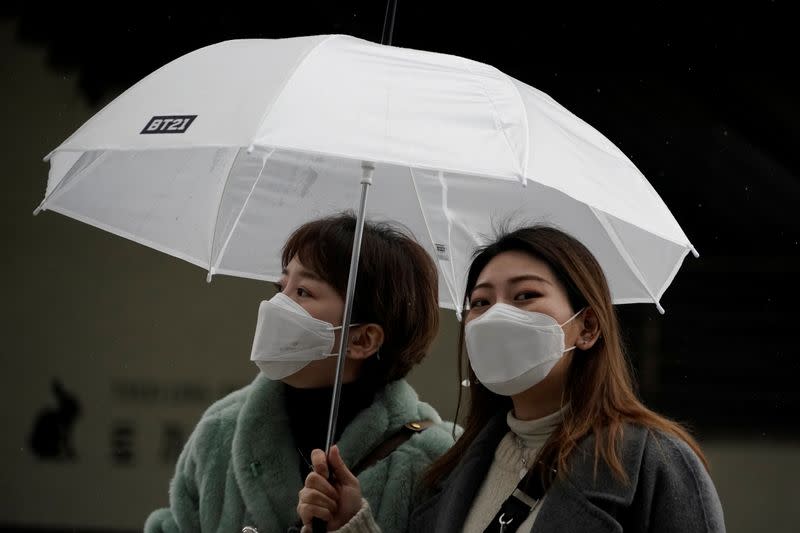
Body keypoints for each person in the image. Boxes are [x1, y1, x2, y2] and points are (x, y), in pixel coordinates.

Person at [298, 225, 725, 532]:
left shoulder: (656, 464)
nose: (497, 315)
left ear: (588, 327)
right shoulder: (453, 471)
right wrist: (351, 525)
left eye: (525, 295)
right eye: (481, 302)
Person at [145, 212, 457, 533]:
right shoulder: (221, 432)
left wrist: (354, 526)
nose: (277, 303)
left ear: (363, 339)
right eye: (281, 286)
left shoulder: (436, 460)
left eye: (303, 292)